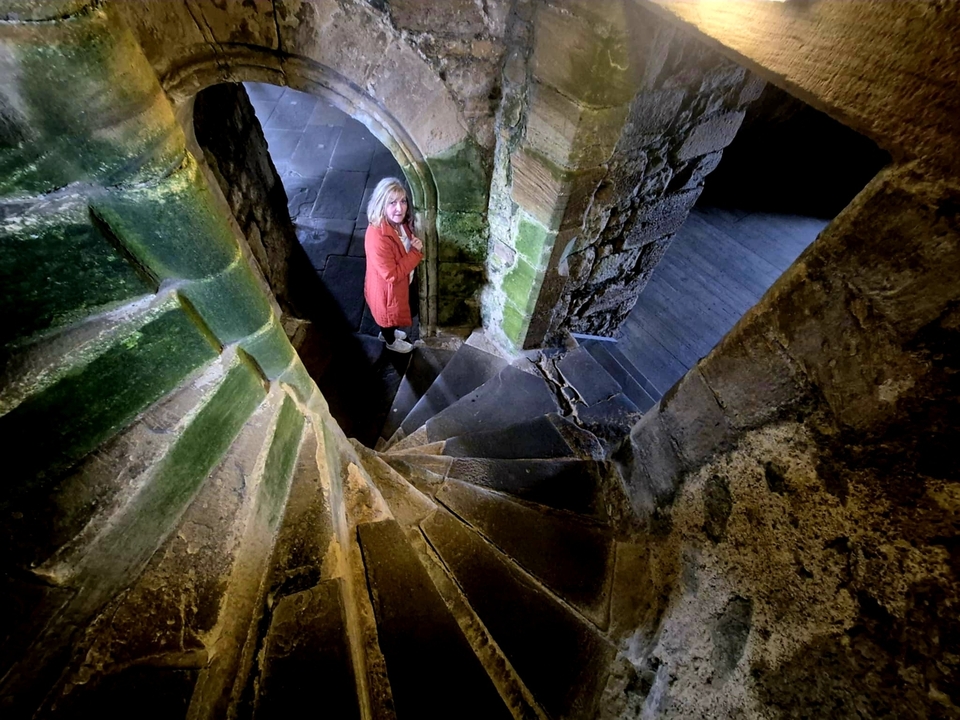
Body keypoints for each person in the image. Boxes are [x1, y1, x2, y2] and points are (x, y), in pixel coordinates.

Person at [363, 177, 423, 353]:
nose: (400, 208)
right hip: (387, 291)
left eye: (403, 201)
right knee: (388, 319)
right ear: (381, 204)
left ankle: (389, 332)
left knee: (391, 319)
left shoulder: (396, 223)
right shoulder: (377, 237)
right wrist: (415, 253)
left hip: (397, 286)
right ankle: (390, 341)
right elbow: (392, 275)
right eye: (392, 203)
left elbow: (403, 238)